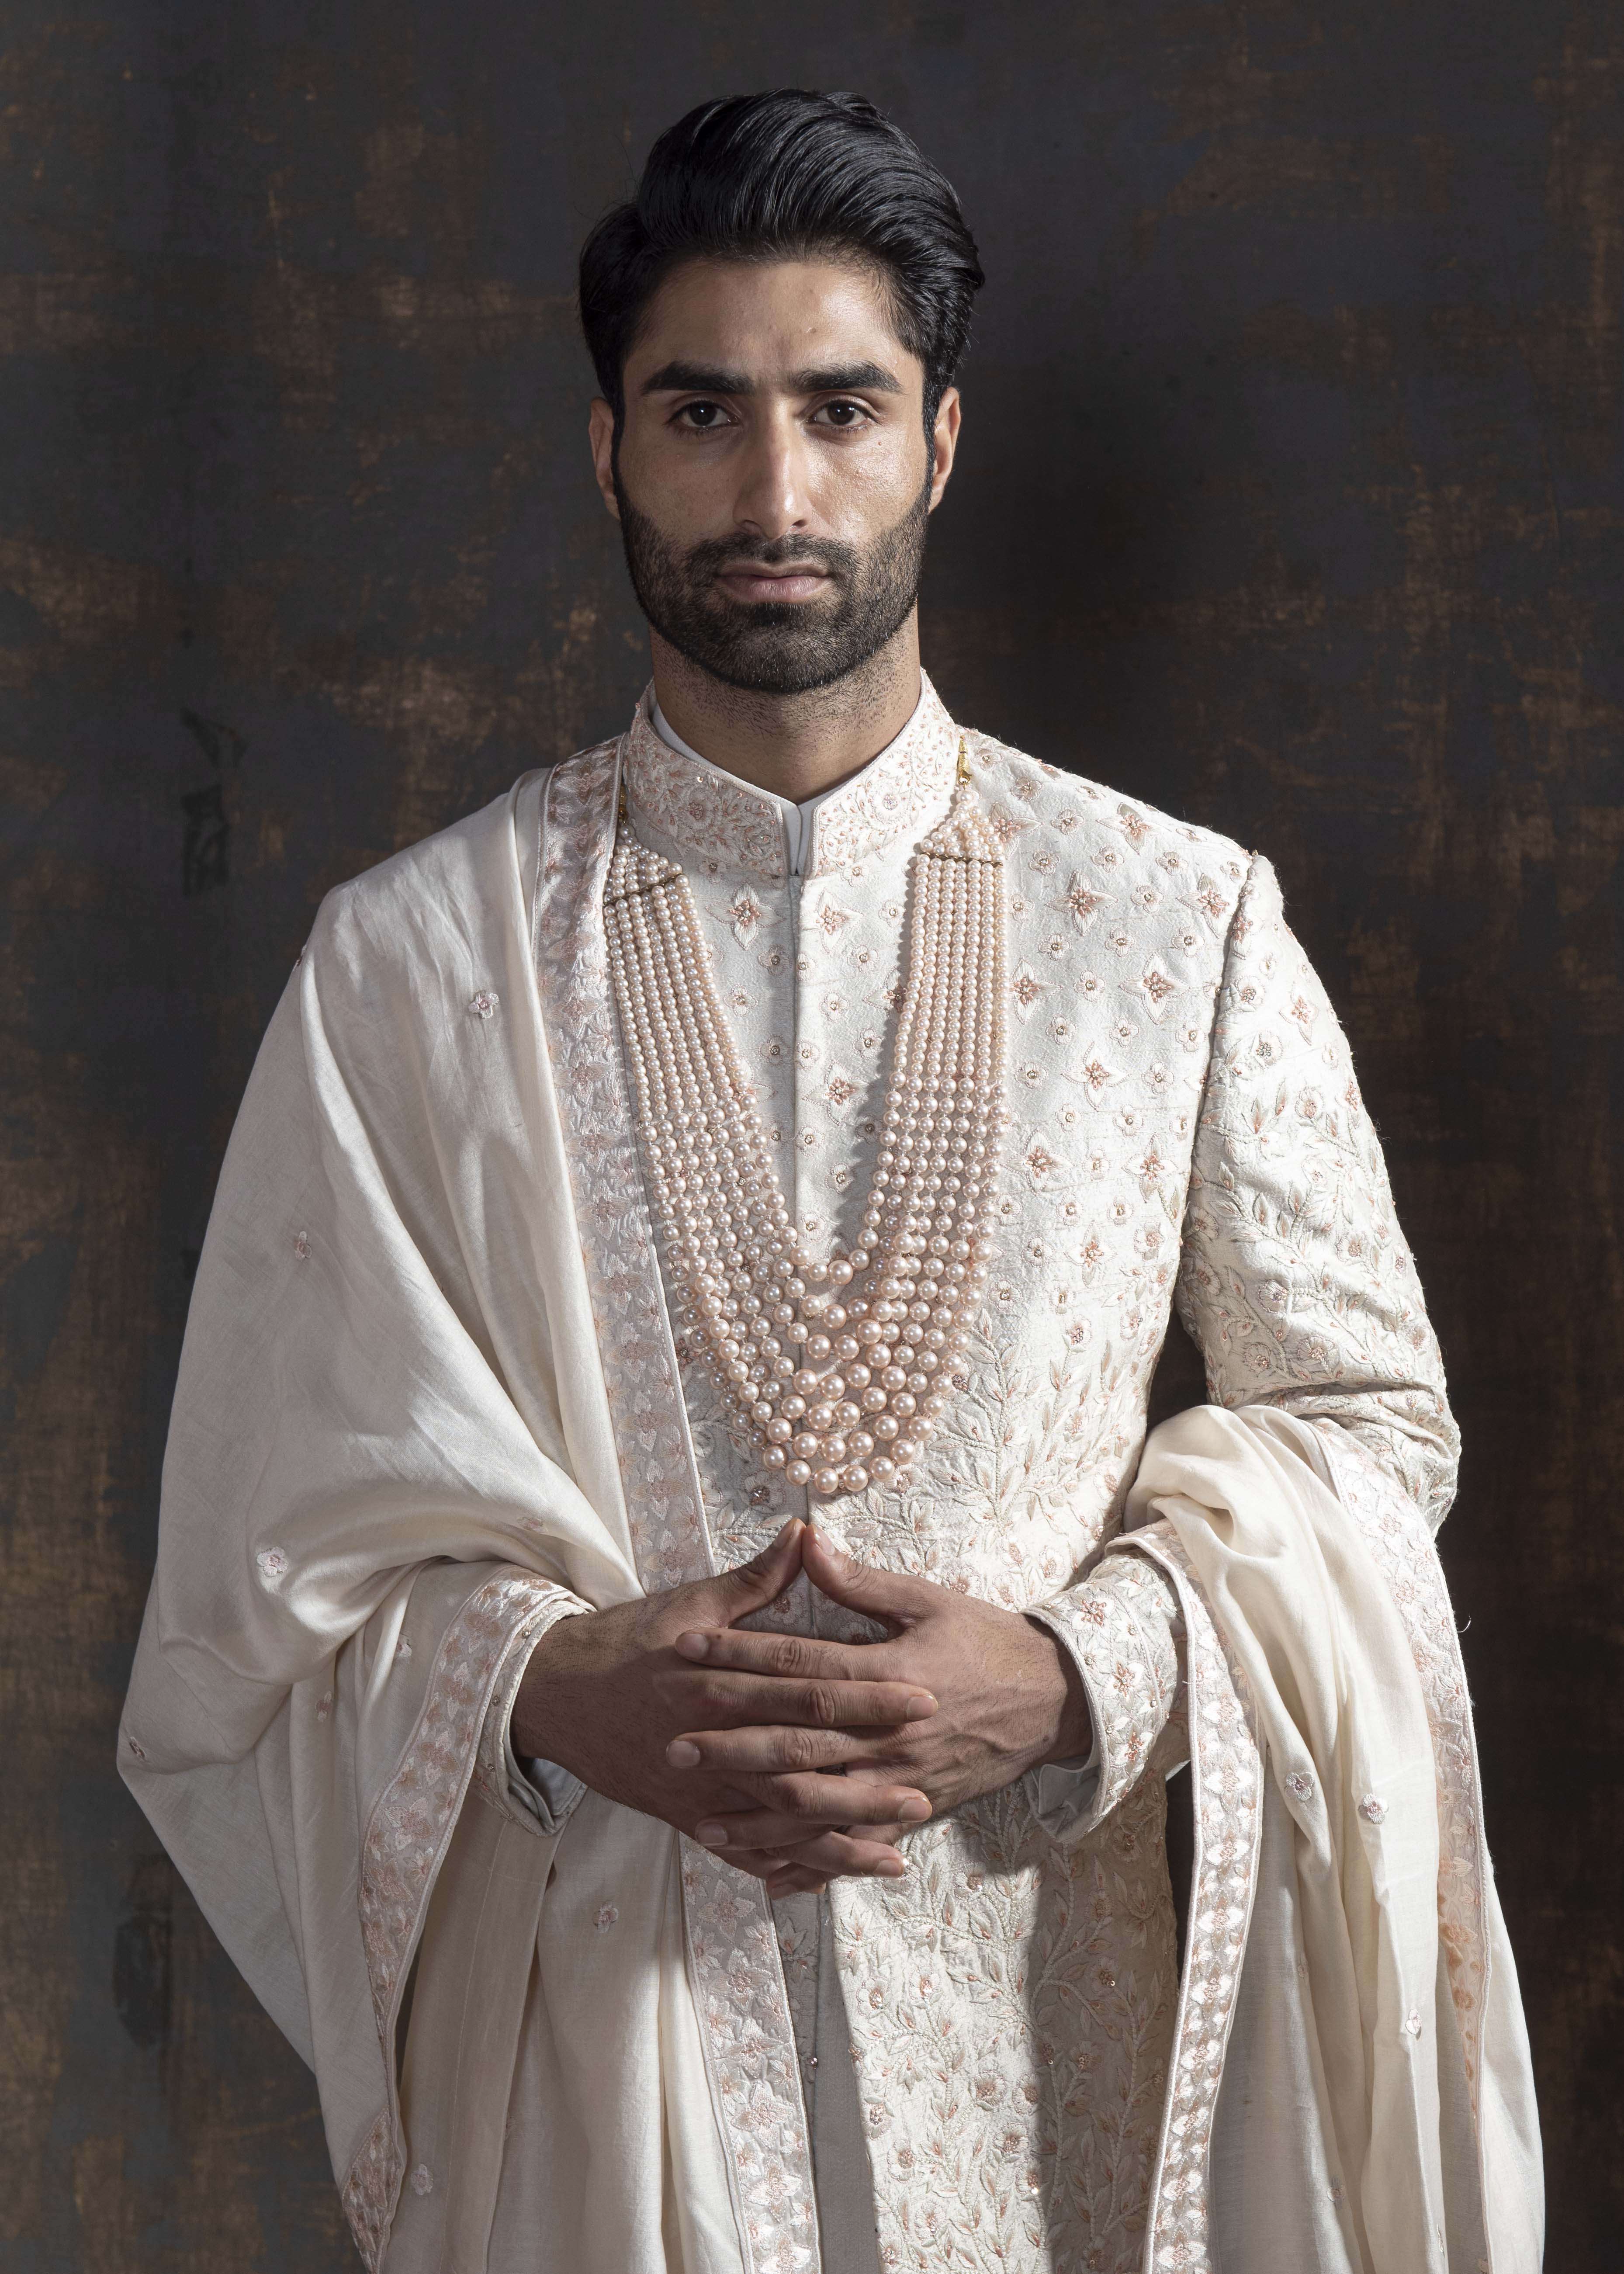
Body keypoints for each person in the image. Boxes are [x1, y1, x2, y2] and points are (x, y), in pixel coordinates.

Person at [119, 89, 1542, 2274]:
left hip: (1056, 2040)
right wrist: (536, 1686)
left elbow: (1372, 1429)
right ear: (610, 448)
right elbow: (253, 1600)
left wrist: (1079, 1674)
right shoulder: (410, 968)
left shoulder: (1177, 926)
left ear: (938, 444)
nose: (775, 491)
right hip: (605, 2072)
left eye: (840, 408)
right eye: (701, 411)